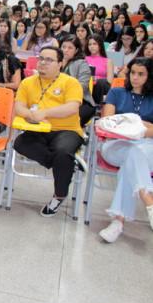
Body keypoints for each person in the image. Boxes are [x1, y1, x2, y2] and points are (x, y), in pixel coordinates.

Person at [13, 46, 85, 217]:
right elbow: (19, 106)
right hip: (37, 129)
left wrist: (45, 113)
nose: (43, 63)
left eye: (49, 60)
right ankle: (66, 164)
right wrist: (29, 115)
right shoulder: (27, 82)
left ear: (60, 64)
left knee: (62, 151)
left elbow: (72, 108)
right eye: (41, 58)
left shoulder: (70, 82)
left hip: (66, 130)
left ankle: (59, 196)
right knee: (20, 143)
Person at [97, 58, 153, 243]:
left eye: (141, 74)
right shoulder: (116, 92)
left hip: (147, 148)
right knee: (133, 154)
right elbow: (108, 123)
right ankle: (149, 201)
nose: (135, 77)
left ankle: (118, 222)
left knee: (133, 158)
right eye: (132, 73)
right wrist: (141, 125)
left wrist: (128, 121)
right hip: (115, 145)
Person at [60, 36, 96, 126]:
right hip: (57, 100)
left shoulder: (82, 64)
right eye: (63, 47)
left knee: (66, 122)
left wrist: (63, 91)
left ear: (76, 50)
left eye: (70, 48)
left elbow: (82, 86)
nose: (65, 50)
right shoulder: (55, 62)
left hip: (81, 102)